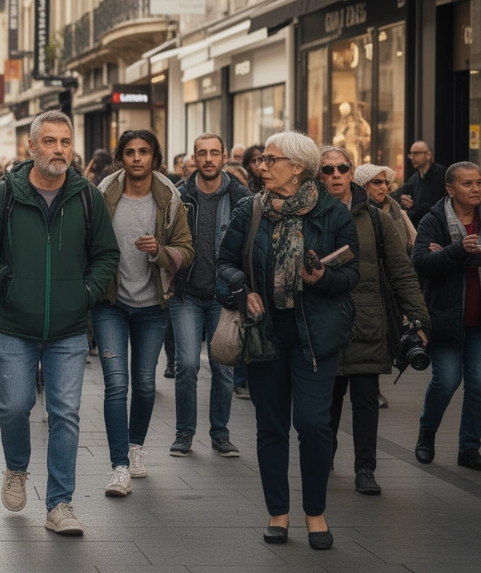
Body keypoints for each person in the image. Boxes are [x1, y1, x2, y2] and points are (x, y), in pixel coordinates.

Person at [0, 111, 118, 534]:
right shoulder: (4, 196)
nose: (58, 150)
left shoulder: (87, 196)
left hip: (69, 328)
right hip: (15, 324)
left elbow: (107, 254)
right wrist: (5, 283)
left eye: (65, 142)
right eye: (49, 142)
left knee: (65, 412)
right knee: (14, 406)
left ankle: (60, 504)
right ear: (30, 147)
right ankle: (16, 468)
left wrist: (84, 294)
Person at [215, 130, 358, 550]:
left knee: (314, 425)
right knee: (271, 425)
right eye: (261, 160)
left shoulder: (333, 213)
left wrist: (324, 277)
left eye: (271, 160)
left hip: (316, 334)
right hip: (265, 333)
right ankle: (279, 512)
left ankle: (315, 512)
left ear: (297, 167)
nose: (262, 166)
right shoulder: (250, 210)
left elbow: (353, 274)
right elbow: (223, 264)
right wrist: (243, 289)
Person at [319, 147, 428, 495]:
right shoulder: (308, 215)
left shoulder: (376, 219)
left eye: (342, 168)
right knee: (327, 401)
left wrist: (419, 318)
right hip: (324, 323)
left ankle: (366, 468)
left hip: (366, 322)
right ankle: (324, 457)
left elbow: (401, 271)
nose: (336, 174)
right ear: (318, 175)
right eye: (328, 169)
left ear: (352, 173)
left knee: (365, 401)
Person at [94, 130, 194, 495]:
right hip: (111, 305)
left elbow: (187, 248)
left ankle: (136, 448)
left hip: (153, 305)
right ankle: (118, 465)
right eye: (131, 152)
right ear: (121, 157)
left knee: (146, 383)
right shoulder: (104, 194)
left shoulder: (169, 197)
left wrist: (160, 251)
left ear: (155, 157)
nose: (137, 158)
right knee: (116, 385)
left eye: (145, 152)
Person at [413, 161, 481, 471]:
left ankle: (469, 448)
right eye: (467, 184)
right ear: (450, 189)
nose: (476, 189)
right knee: (446, 381)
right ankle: (426, 434)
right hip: (446, 318)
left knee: (479, 386)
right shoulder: (433, 220)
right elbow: (421, 263)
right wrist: (458, 250)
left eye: (477, 183)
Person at [169, 134, 249, 458]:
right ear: (194, 158)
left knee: (223, 367)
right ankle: (184, 433)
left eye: (214, 153)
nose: (208, 159)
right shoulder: (179, 195)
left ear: (224, 156)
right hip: (185, 293)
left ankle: (220, 434)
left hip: (222, 295)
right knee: (186, 364)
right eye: (202, 153)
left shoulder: (241, 196)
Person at [356, 164, 416, 252]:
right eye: (377, 182)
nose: (384, 188)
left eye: (386, 183)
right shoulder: (354, 212)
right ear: (364, 186)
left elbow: (414, 241)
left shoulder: (396, 210)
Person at [395, 141, 447, 227]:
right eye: (410, 154)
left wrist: (414, 208)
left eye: (415, 153)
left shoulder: (442, 175)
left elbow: (440, 205)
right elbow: (398, 193)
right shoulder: (414, 178)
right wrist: (402, 199)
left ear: (428, 155)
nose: (412, 157)